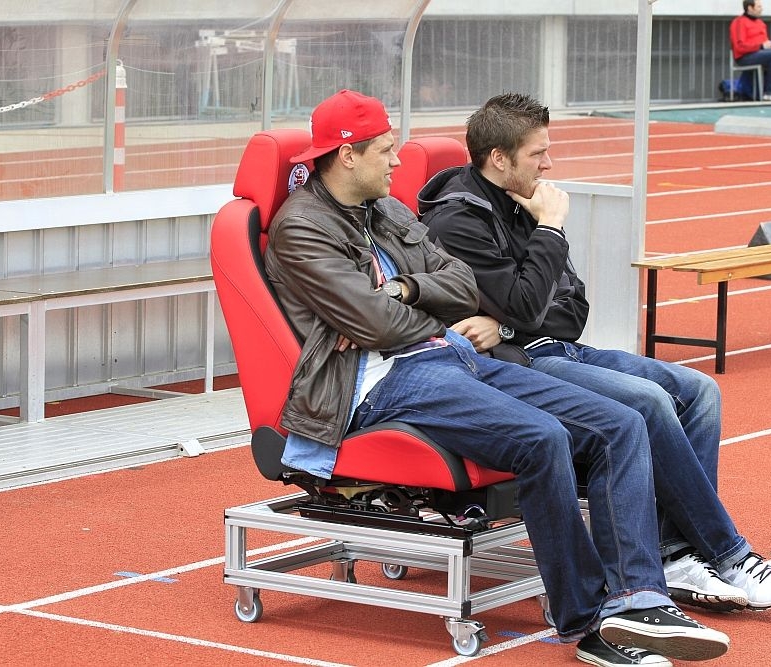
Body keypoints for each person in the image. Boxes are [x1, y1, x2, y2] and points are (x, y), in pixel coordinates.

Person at [264, 89, 732, 667]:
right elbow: (377, 325)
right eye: (385, 150)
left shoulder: (387, 211)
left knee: (621, 423)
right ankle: (589, 622)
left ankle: (639, 599)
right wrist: (418, 310)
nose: (397, 161)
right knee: (544, 437)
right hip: (379, 384)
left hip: (449, 356)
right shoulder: (300, 228)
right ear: (347, 155)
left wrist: (406, 290)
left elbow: (462, 286)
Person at [418, 92, 771, 618]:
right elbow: (529, 303)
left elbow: (572, 310)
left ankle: (675, 554)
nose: (549, 164)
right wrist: (549, 231)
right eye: (538, 154)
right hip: (518, 363)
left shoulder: (526, 199)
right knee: (648, 401)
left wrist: (506, 319)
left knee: (700, 391)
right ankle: (727, 553)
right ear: (499, 158)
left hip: (556, 344)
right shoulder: (459, 221)